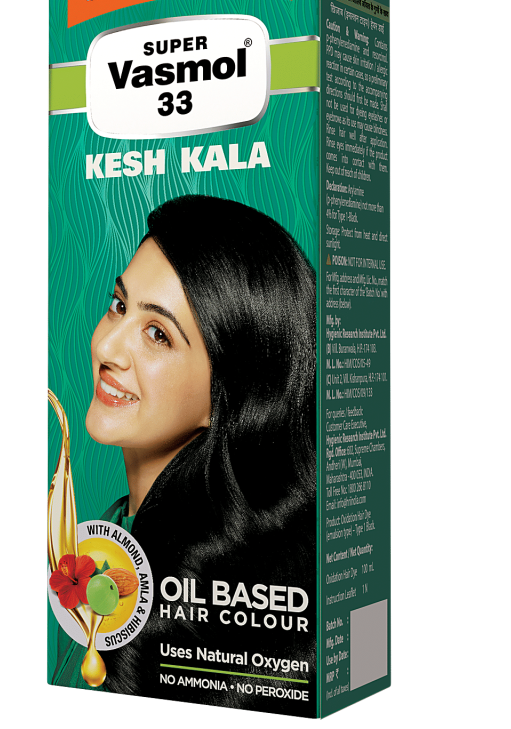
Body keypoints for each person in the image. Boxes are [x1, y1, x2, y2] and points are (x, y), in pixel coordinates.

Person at [53, 195, 316, 715]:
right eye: (119, 305)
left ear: (228, 398)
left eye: (157, 334)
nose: (107, 348)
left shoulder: (211, 610)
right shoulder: (107, 534)